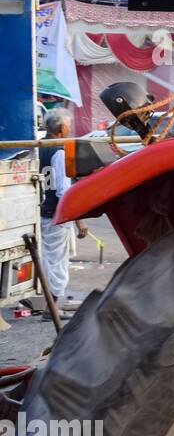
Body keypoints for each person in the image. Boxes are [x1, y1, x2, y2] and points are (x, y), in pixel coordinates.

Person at [35, 109, 86, 319]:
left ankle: (51, 305)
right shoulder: (60, 151)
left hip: (43, 210)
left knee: (49, 260)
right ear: (62, 128)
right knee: (57, 262)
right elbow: (65, 192)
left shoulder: (38, 147)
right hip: (56, 214)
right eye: (69, 126)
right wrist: (80, 221)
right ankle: (52, 308)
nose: (70, 129)